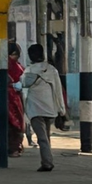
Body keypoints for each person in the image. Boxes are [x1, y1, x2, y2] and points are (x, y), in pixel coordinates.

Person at [22, 43, 65, 172]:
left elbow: (23, 85)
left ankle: (47, 162)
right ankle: (47, 160)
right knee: (45, 136)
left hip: (35, 109)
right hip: (50, 108)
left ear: (30, 56)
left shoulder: (28, 71)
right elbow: (58, 91)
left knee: (42, 138)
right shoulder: (52, 70)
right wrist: (61, 110)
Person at [6, 43, 27, 157]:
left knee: (12, 123)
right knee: (16, 123)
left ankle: (12, 147)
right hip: (13, 98)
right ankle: (14, 148)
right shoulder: (13, 65)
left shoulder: (8, 64)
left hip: (11, 97)